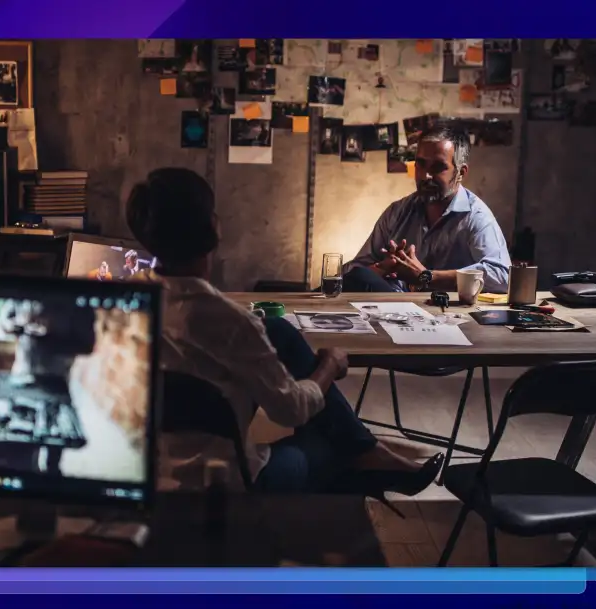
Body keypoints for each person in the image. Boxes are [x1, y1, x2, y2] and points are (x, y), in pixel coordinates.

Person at [126, 167, 442, 494]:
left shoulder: (127, 304)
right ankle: (355, 485)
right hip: (226, 483)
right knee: (332, 447)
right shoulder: (231, 323)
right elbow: (290, 409)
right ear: (212, 229)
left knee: (276, 329)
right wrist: (329, 367)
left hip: (142, 472)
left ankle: (369, 454)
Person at [342, 125, 511, 294]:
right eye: (421, 165)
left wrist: (426, 277)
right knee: (347, 281)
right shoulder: (398, 211)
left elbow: (502, 276)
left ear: (461, 173)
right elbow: (357, 271)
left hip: (447, 313)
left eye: (438, 167)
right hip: (396, 310)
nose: (425, 176)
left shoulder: (475, 216)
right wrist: (382, 267)